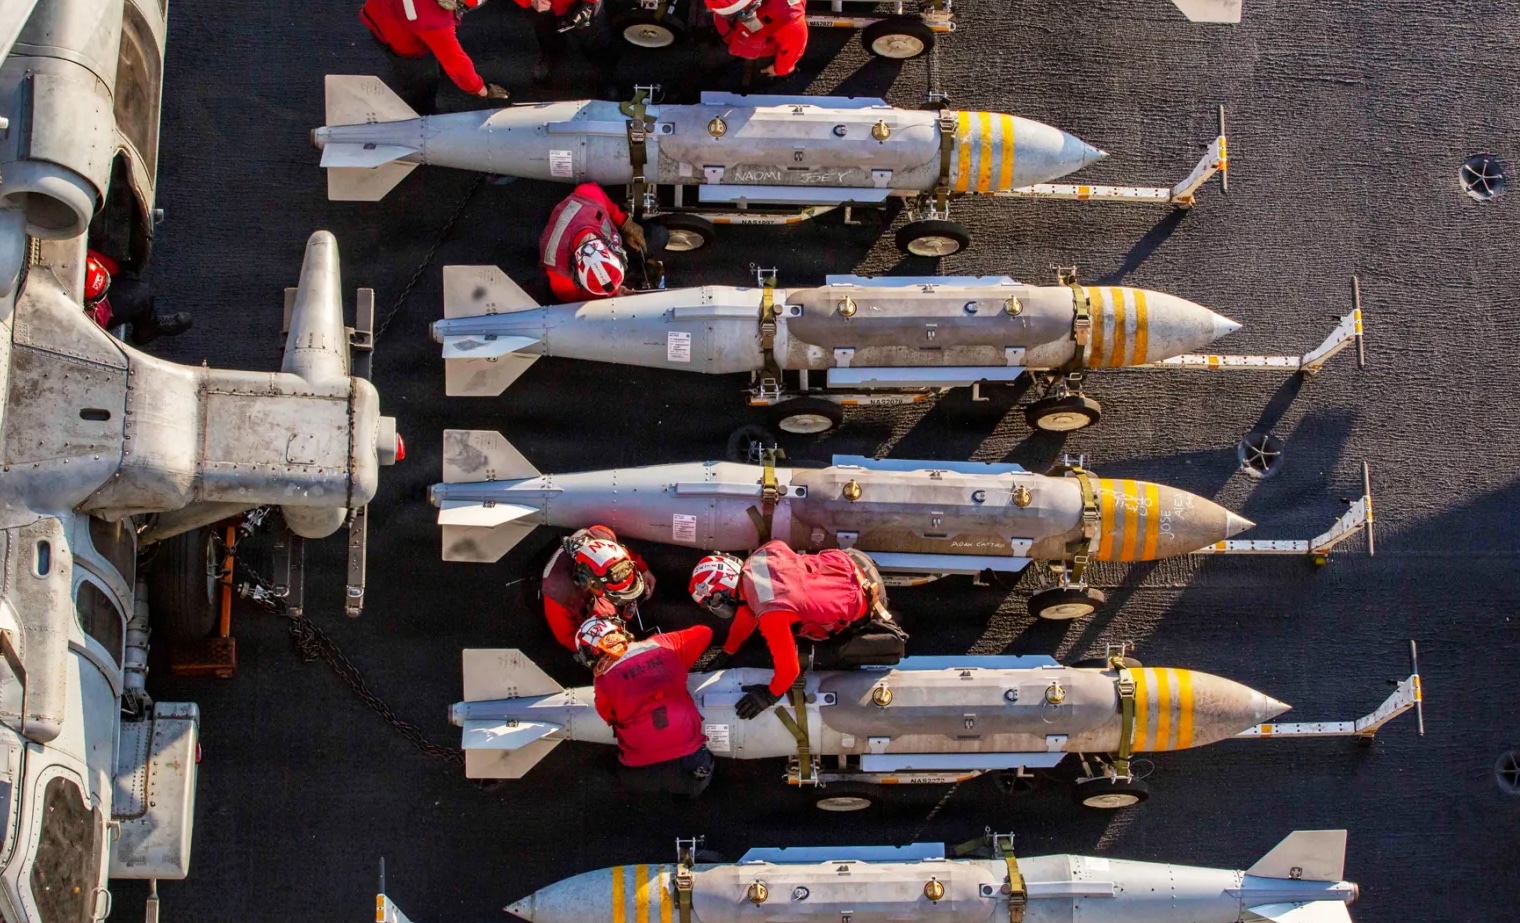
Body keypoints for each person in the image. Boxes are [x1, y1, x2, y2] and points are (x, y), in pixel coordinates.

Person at [689, 540, 905, 720]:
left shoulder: (771, 613)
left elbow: (789, 671)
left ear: (722, 592)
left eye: (714, 602)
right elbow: (748, 610)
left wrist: (768, 695)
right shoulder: (763, 554)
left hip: (868, 603)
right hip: (856, 562)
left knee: (828, 653)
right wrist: (729, 650)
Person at [579, 618, 716, 797]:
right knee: (695, 784)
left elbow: (607, 716)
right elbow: (705, 632)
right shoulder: (664, 644)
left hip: (639, 772)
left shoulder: (602, 680)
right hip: (688, 766)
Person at [360, 0, 509, 115]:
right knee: (421, 82)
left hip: (378, 16)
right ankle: (420, 114)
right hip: (404, 45)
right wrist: (481, 89)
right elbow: (458, 67)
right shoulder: (436, 24)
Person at [541, 525, 655, 652]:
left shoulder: (603, 536)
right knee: (603, 613)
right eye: (616, 593)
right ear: (587, 583)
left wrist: (642, 568)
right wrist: (600, 648)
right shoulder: (558, 591)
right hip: (578, 604)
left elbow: (619, 551)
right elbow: (567, 637)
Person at [539, 183, 649, 302]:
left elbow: (597, 195)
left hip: (579, 221)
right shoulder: (558, 269)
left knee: (657, 235)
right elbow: (570, 298)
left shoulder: (588, 200)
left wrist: (625, 223)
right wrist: (611, 294)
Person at [511, 0, 619, 96]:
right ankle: (551, 55)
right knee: (547, 35)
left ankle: (605, 75)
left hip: (580, 4)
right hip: (540, 7)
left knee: (596, 41)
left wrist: (588, 3)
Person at [83, 250, 192, 346]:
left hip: (91, 284)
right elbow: (92, 328)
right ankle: (149, 328)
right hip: (93, 312)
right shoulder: (94, 314)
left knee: (129, 271)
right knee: (141, 295)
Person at [705, 0, 807, 82]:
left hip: (773, 17)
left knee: (753, 35)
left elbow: (794, 44)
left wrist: (780, 69)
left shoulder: (789, 15)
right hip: (759, 13)